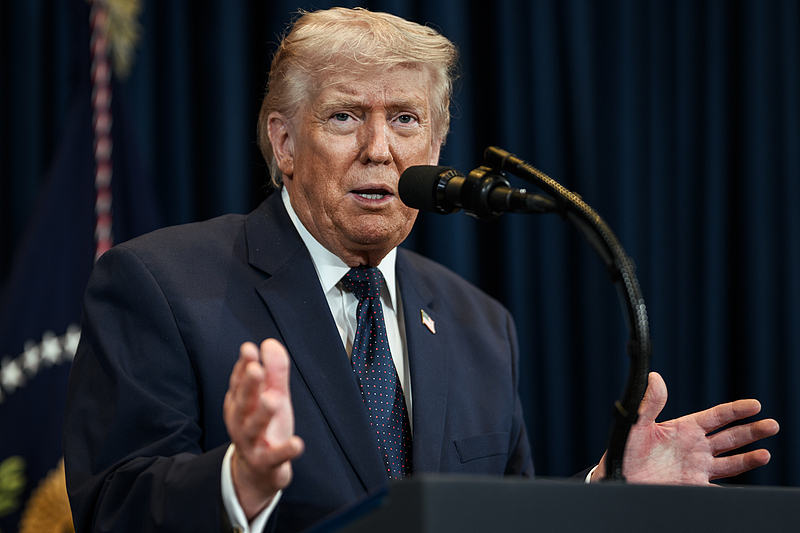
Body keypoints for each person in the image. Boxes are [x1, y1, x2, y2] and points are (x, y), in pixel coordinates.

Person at [63, 7, 779, 533]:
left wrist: (607, 490)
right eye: (345, 117)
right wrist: (238, 481)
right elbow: (112, 506)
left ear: (436, 143)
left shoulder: (479, 323)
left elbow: (498, 519)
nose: (380, 149)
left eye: (406, 120)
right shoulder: (159, 283)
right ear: (284, 141)